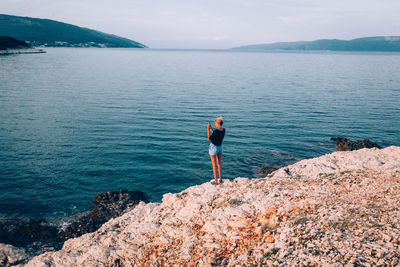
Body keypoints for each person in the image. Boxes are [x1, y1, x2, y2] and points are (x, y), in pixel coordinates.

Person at [207, 116, 225, 184]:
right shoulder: (223, 130)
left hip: (214, 148)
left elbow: (209, 138)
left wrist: (208, 130)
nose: (215, 125)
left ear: (217, 124)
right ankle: (220, 179)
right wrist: (212, 129)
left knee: (214, 165)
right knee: (219, 163)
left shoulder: (216, 132)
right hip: (220, 148)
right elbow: (216, 134)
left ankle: (216, 181)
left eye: (215, 123)